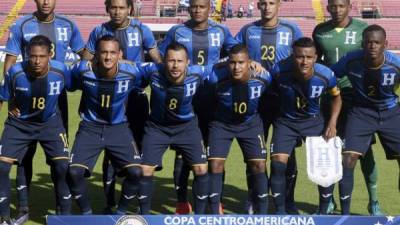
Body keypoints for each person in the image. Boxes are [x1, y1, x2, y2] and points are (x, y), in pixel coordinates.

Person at [3, 0, 85, 222]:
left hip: (56, 100)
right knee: (24, 157)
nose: (46, 1)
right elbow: (10, 61)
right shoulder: (21, 25)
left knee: (58, 160)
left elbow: (85, 54)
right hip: (26, 99)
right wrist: (11, 97)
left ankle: (61, 207)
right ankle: (23, 207)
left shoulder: (69, 24)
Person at [82, 0, 162, 214]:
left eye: (121, 7)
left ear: (130, 9)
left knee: (137, 150)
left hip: (135, 97)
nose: (117, 12)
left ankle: (138, 203)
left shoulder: (141, 29)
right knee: (109, 152)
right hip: (106, 97)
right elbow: (85, 62)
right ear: (107, 9)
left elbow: (157, 62)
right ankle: (110, 202)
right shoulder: (99, 30)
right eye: (113, 7)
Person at [158, 0, 237, 214]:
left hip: (213, 100)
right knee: (183, 154)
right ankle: (182, 202)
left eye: (202, 6)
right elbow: (160, 55)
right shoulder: (177, 31)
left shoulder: (221, 30)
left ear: (209, 8)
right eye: (194, 6)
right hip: (185, 100)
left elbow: (237, 53)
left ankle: (215, 200)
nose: (197, 10)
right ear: (189, 7)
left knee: (214, 154)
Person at [312, 0, 382, 215]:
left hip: (356, 96)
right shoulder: (319, 31)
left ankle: (374, 202)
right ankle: (329, 200)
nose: (336, 10)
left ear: (349, 7)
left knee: (364, 151)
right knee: (328, 148)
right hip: (330, 96)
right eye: (332, 6)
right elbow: (317, 61)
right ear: (328, 8)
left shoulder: (362, 29)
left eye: (341, 6)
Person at [235, 0, 303, 214]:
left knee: (287, 154)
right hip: (256, 100)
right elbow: (234, 53)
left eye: (271, 3)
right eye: (263, 3)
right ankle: (254, 198)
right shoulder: (248, 30)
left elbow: (303, 56)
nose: (267, 7)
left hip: (285, 99)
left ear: (278, 5)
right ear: (257, 6)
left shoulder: (292, 29)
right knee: (254, 153)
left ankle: (288, 200)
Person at [67, 35, 143, 215]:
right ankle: (87, 214)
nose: (108, 57)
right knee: (74, 173)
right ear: (96, 55)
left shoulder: (133, 72)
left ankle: (120, 213)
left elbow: (153, 75)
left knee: (136, 173)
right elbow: (69, 84)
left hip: (119, 128)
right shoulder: (83, 70)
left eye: (112, 53)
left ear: (120, 55)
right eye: (104, 52)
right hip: (90, 128)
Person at [0, 35, 72, 224]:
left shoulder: (61, 70)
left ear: (50, 55)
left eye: (41, 56)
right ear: (26, 55)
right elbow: (4, 97)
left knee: (63, 166)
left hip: (50, 124)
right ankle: (5, 217)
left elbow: (77, 85)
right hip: (20, 125)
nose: (37, 61)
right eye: (32, 56)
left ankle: (64, 216)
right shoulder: (15, 73)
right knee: (2, 166)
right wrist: (10, 104)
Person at [332, 24, 400, 215]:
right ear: (362, 44)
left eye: (377, 42)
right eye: (368, 42)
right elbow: (330, 75)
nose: (372, 46)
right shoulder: (351, 60)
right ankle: (345, 215)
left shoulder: (395, 65)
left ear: (385, 44)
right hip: (361, 112)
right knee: (348, 159)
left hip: (391, 112)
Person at [269, 37, 342, 215]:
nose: (304, 61)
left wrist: (332, 122)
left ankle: (323, 213)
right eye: (300, 56)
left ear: (315, 57)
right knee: (278, 165)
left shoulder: (326, 75)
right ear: (293, 56)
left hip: (314, 121)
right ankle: (281, 212)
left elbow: (336, 98)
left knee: (324, 166)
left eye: (309, 57)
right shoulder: (279, 71)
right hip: (286, 122)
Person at [138, 42, 209, 215]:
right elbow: (129, 66)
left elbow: (223, 66)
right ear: (164, 62)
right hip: (157, 128)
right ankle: (144, 216)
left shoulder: (198, 73)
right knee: (145, 170)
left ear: (187, 63)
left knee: (201, 169)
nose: (175, 65)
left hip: (187, 128)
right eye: (171, 61)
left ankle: (198, 217)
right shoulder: (153, 71)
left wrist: (254, 63)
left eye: (179, 61)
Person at [207, 44, 270, 214]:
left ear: (249, 62)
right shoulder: (215, 78)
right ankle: (214, 212)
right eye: (232, 63)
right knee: (215, 164)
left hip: (250, 124)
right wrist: (218, 64)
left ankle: (262, 214)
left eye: (241, 62)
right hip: (222, 124)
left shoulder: (263, 77)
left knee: (259, 165)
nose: (236, 67)